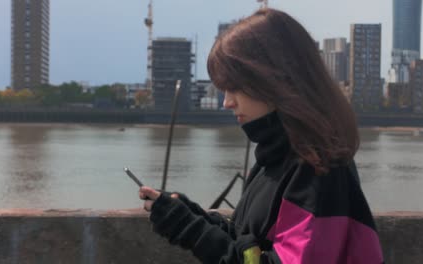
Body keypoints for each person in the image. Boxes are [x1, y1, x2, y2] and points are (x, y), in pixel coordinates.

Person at [139, 8, 384, 264]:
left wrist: (191, 229)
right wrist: (192, 216)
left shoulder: (317, 169)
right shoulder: (275, 159)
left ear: (273, 79)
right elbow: (248, 246)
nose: (227, 102)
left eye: (234, 87)